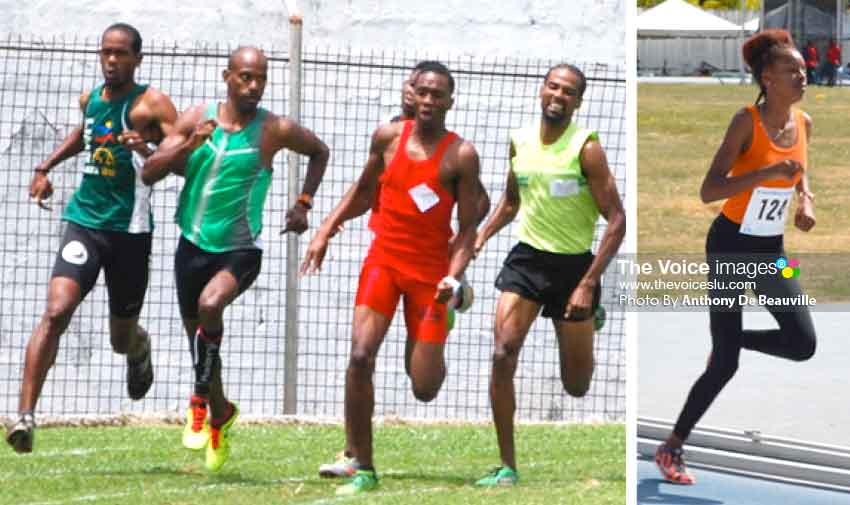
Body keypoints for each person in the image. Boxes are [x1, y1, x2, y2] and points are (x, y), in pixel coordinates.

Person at [301, 61, 486, 495]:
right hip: (383, 262)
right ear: (411, 93)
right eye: (422, 91)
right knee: (360, 356)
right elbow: (365, 191)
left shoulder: (461, 155)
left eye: (437, 94)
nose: (427, 100)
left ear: (450, 102)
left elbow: (467, 229)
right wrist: (326, 228)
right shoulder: (387, 137)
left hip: (429, 276)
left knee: (424, 388)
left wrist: (453, 277)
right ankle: (362, 466)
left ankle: (444, 317)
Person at [142, 46, 330, 472]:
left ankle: (197, 400)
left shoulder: (273, 129)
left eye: (260, 78)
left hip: (240, 250)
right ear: (227, 76)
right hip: (191, 247)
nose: (254, 86)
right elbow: (149, 170)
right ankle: (221, 411)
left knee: (211, 307)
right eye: (245, 77)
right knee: (201, 343)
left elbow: (320, 151)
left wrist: (303, 203)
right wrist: (190, 143)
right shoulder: (196, 118)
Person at [4, 23, 178, 454]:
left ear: (138, 59)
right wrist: (45, 167)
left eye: (121, 54)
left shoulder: (150, 104)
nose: (112, 61)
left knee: (120, 339)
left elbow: (181, 155)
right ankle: (23, 416)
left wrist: (146, 150)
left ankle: (140, 348)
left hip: (129, 234)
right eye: (106, 53)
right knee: (56, 310)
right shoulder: (92, 99)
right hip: (84, 221)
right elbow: (83, 135)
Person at [655, 29, 816, 485]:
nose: (803, 75)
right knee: (724, 367)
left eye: (803, 68)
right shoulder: (745, 121)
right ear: (768, 76)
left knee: (803, 343)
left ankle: (729, 339)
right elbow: (710, 190)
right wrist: (766, 172)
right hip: (729, 245)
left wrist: (806, 200)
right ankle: (672, 448)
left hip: (772, 252)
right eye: (793, 69)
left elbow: (801, 172)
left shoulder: (803, 123)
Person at [471, 63, 625, 486]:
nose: (558, 95)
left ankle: (591, 315)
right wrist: (481, 237)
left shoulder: (586, 148)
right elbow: (510, 200)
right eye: (553, 86)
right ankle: (507, 466)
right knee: (503, 353)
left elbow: (617, 221)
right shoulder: (519, 140)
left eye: (568, 91)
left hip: (575, 268)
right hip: (527, 262)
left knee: (577, 385)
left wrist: (589, 283)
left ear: (578, 101)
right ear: (541, 90)